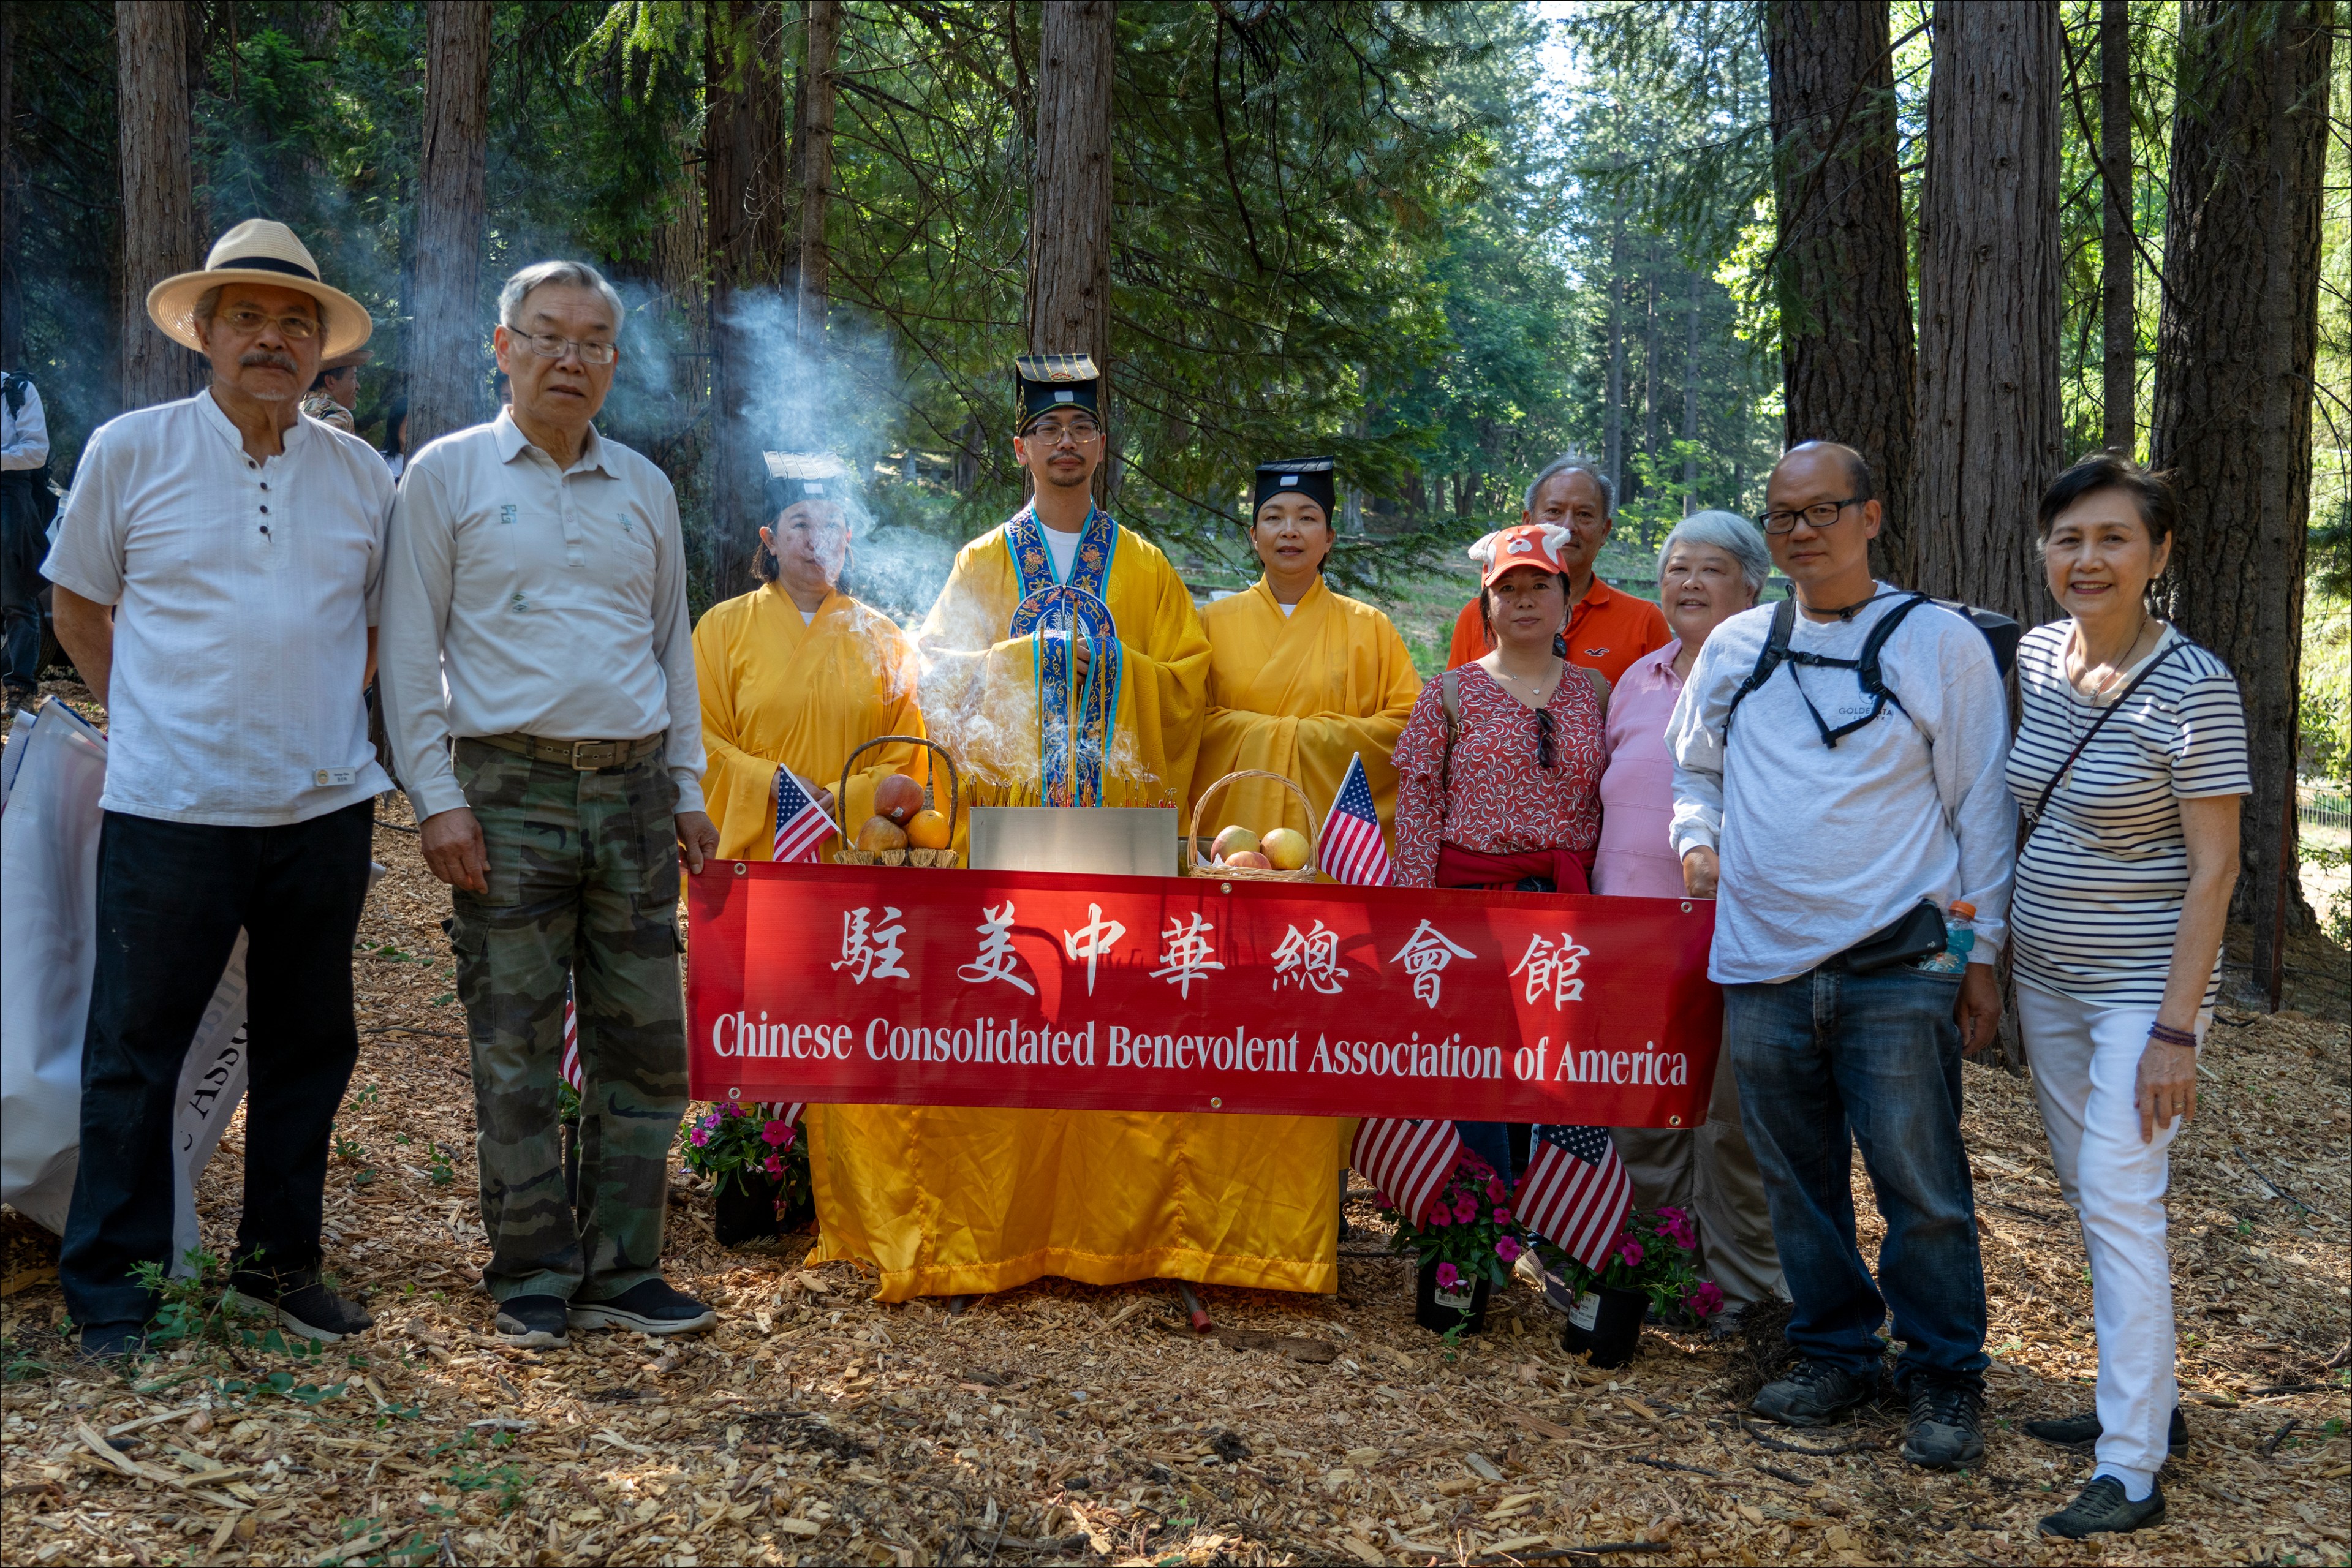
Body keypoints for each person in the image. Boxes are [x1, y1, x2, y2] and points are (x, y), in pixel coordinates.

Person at [815, 355, 1340, 1305]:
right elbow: (935, 676)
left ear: (1101, 448)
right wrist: (1028, 656)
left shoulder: (1139, 564)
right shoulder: (981, 562)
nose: (1066, 444)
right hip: (1009, 825)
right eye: (1048, 431)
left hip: (1115, 826)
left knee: (1109, 1017)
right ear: (1021, 449)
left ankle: (1116, 1226)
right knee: (1015, 1007)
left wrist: (1099, 661)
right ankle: (999, 1226)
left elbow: (1185, 684)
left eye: (1082, 430)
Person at [42, 219, 390, 1355]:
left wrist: (317, 710)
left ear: (320, 351)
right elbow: (78, 609)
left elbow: (376, 630)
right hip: (169, 807)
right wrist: (155, 716)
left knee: (307, 1046)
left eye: (296, 324)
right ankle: (112, 1292)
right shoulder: (128, 452)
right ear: (202, 330)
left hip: (322, 810)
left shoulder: (357, 476)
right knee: (136, 1051)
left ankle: (277, 1268)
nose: (272, 340)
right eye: (247, 317)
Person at [379, 258, 719, 1350]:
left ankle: (623, 1267)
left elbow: (671, 645)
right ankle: (529, 1265)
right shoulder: (447, 476)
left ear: (614, 364)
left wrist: (688, 787)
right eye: (547, 336)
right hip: (506, 787)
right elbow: (403, 650)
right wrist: (436, 798)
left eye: (592, 343)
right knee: (515, 1038)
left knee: (645, 1045)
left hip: (629, 791)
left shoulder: (644, 489)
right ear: (503, 346)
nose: (569, 358)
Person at [1668, 440, 2012, 1470]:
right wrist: (1695, 838)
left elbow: (1978, 807)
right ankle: (1830, 1351)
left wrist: (1975, 955)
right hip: (1761, 964)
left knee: (1920, 1182)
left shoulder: (1937, 643)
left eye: (1823, 511)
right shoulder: (1735, 645)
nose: (1800, 531)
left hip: (1898, 962)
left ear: (1869, 516)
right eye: (1781, 515)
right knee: (1795, 1180)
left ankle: (1943, 1373)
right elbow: (1693, 771)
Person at [2005, 456, 2246, 1540]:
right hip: (2043, 982)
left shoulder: (2193, 684)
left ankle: (2132, 1467)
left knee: (2117, 1199)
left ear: (2156, 554)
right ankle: (2143, 1401)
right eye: (2067, 538)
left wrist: (2171, 1033)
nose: (2085, 558)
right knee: (2091, 1191)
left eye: (2110, 538)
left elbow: (2215, 870)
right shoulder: (2034, 657)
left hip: (2135, 996)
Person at [1592, 511, 1783, 1319]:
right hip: (1633, 942)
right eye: (1675, 569)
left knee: (1731, 1124)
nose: (1689, 584)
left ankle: (1745, 1293)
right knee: (1643, 1116)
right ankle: (1669, 1278)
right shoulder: (1637, 679)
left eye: (1710, 570)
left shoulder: (1776, 678)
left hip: (1740, 934)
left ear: (1750, 585)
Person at [1392, 521, 1611, 1182]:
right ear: (1485, 605)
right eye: (1506, 588)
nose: (1522, 600)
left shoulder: (1595, 693)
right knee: (1475, 1064)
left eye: (1537, 586)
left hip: (1563, 908)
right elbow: (1417, 807)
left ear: (1564, 601)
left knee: (1554, 1064)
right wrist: (1415, 914)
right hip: (1470, 908)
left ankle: (1550, 1216)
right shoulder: (1449, 693)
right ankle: (1476, 1218)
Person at [692, 451, 927, 861]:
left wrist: (842, 796)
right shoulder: (721, 628)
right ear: (771, 540)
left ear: (848, 538)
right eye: (800, 524)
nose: (817, 539)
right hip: (758, 847)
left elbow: (907, 753)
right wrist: (770, 782)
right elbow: (699, 741)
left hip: (852, 849)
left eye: (832, 524)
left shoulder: (883, 638)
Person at [1192, 454, 1420, 846]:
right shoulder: (1208, 624)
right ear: (1254, 534)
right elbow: (1182, 722)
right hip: (1231, 837)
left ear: (1329, 538)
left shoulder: (1371, 627)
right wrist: (1299, 737)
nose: (1290, 531)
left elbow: (1408, 728)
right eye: (1274, 517)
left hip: (1332, 841)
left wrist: (1296, 737)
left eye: (1308, 518)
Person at [1443, 456, 1670, 688]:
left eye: (1584, 514)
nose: (1567, 527)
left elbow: (1660, 716)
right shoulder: (1478, 616)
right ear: (1527, 522)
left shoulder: (1643, 622)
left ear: (1605, 531)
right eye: (1554, 511)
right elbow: (1453, 707)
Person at [1, 364, 51, 714]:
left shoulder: (16, 390)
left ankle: (19, 689)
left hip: (9, 496)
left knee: (18, 598)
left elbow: (37, 451)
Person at [301, 349, 367, 434]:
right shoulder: (339, 414)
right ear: (331, 382)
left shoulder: (297, 410)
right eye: (352, 378)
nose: (358, 386)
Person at [380, 398, 409, 480]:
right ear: (396, 424)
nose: (415, 428)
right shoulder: (379, 460)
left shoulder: (432, 463)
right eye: (409, 421)